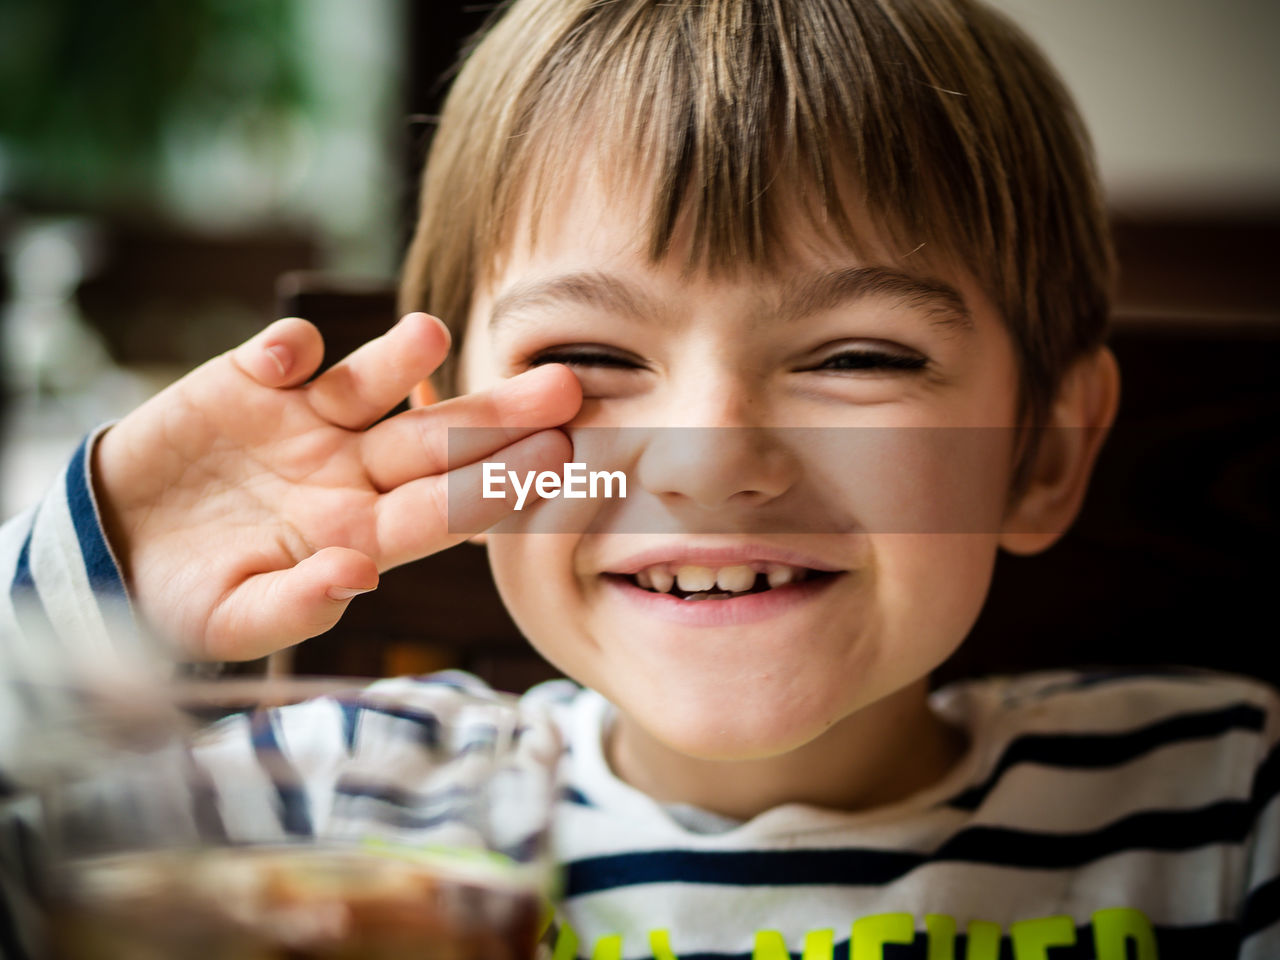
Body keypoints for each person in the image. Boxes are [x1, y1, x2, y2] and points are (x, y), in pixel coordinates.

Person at [3, 0, 1278, 956]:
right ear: (459, 444)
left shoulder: (1223, 813)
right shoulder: (333, 804)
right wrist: (97, 562)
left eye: (856, 355)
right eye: (592, 358)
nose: (711, 456)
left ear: (1041, 450)